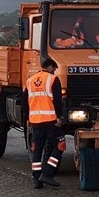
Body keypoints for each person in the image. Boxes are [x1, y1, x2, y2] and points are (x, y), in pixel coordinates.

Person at [25, 58, 66, 189]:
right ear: (49, 67)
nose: (54, 71)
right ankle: (47, 173)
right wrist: (59, 117)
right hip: (51, 121)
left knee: (37, 150)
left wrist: (27, 119)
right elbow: (57, 100)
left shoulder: (30, 81)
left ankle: (36, 179)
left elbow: (24, 102)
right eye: (54, 68)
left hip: (36, 122)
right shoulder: (53, 79)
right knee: (60, 146)